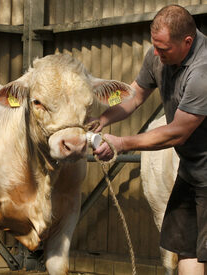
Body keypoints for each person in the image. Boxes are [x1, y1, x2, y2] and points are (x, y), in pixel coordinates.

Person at [93, 4, 207, 275]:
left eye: (163, 49)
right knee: (185, 249)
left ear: (187, 42)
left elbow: (177, 131)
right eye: (154, 46)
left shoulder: (202, 73)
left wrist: (121, 143)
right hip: (191, 171)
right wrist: (103, 119)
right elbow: (135, 95)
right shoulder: (159, 53)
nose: (156, 54)